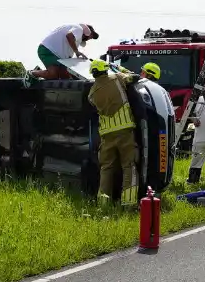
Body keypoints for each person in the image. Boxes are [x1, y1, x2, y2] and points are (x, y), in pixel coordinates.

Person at [87, 59, 140, 205]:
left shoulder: (91, 93)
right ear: (106, 69)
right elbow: (135, 77)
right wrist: (119, 68)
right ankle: (128, 203)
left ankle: (103, 204)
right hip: (125, 131)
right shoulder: (117, 78)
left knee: (106, 169)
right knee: (129, 166)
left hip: (106, 135)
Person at [30, 23, 99, 81]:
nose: (89, 39)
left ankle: (40, 71)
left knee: (65, 76)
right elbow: (69, 36)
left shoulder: (75, 31)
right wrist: (77, 52)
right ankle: (32, 73)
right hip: (48, 50)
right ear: (87, 32)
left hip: (58, 56)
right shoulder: (79, 29)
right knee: (53, 74)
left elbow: (69, 52)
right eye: (91, 37)